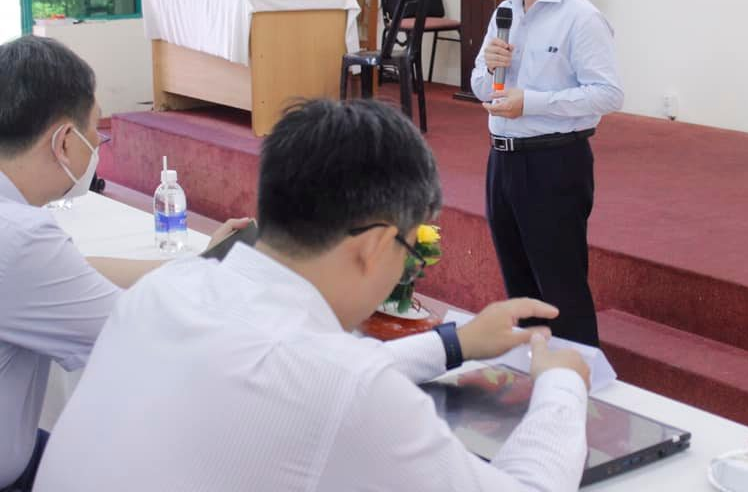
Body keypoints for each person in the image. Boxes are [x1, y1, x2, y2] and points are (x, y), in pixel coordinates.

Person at [35, 99, 592, 492]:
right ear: (375, 245)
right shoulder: (341, 385)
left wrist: (455, 343)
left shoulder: (168, 289)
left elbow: (303, 374)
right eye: (406, 248)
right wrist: (562, 384)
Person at [0, 36, 243, 492]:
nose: (97, 143)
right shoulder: (22, 239)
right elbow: (143, 332)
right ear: (64, 142)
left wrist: (201, 262)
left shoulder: (17, 230)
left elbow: (79, 267)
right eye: (96, 129)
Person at [470, 0, 624, 347]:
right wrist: (490, 70)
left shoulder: (581, 17)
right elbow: (481, 86)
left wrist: (531, 102)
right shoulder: (505, 12)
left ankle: (579, 374)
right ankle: (533, 368)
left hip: (554, 162)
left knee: (560, 287)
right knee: (518, 282)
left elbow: (607, 94)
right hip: (502, 161)